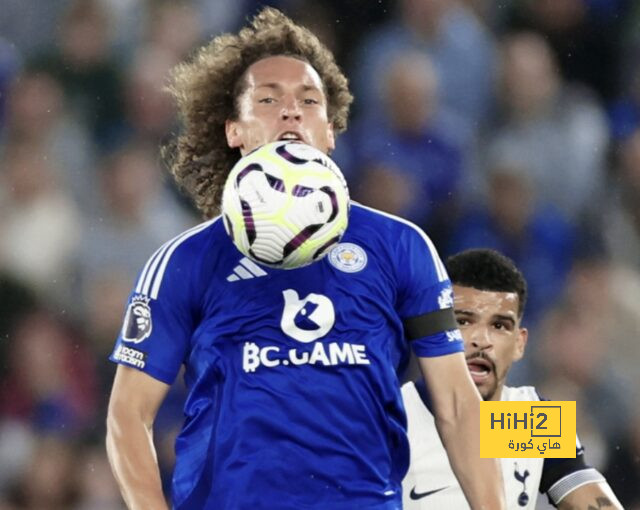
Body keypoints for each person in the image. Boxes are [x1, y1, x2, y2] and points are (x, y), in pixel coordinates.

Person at [105, 8, 505, 510]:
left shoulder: (401, 247)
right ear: (234, 130)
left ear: (331, 131)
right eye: (269, 99)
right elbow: (127, 416)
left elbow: (457, 406)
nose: (291, 112)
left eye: (309, 101)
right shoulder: (186, 261)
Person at [402, 248, 623, 509]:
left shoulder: (527, 422)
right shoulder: (395, 418)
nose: (481, 340)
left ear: (519, 343)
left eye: (499, 326)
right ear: (433, 332)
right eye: (462, 321)